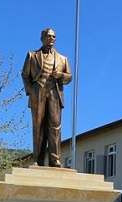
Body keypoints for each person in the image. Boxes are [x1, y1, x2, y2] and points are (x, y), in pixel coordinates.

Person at [21, 28, 72, 167]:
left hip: (55, 93)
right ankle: (37, 159)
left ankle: (54, 159)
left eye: (54, 37)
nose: (52, 39)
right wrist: (31, 90)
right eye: (49, 36)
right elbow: (25, 75)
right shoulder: (32, 55)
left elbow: (69, 76)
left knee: (55, 126)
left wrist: (60, 75)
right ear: (42, 38)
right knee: (38, 126)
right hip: (38, 92)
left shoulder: (63, 58)